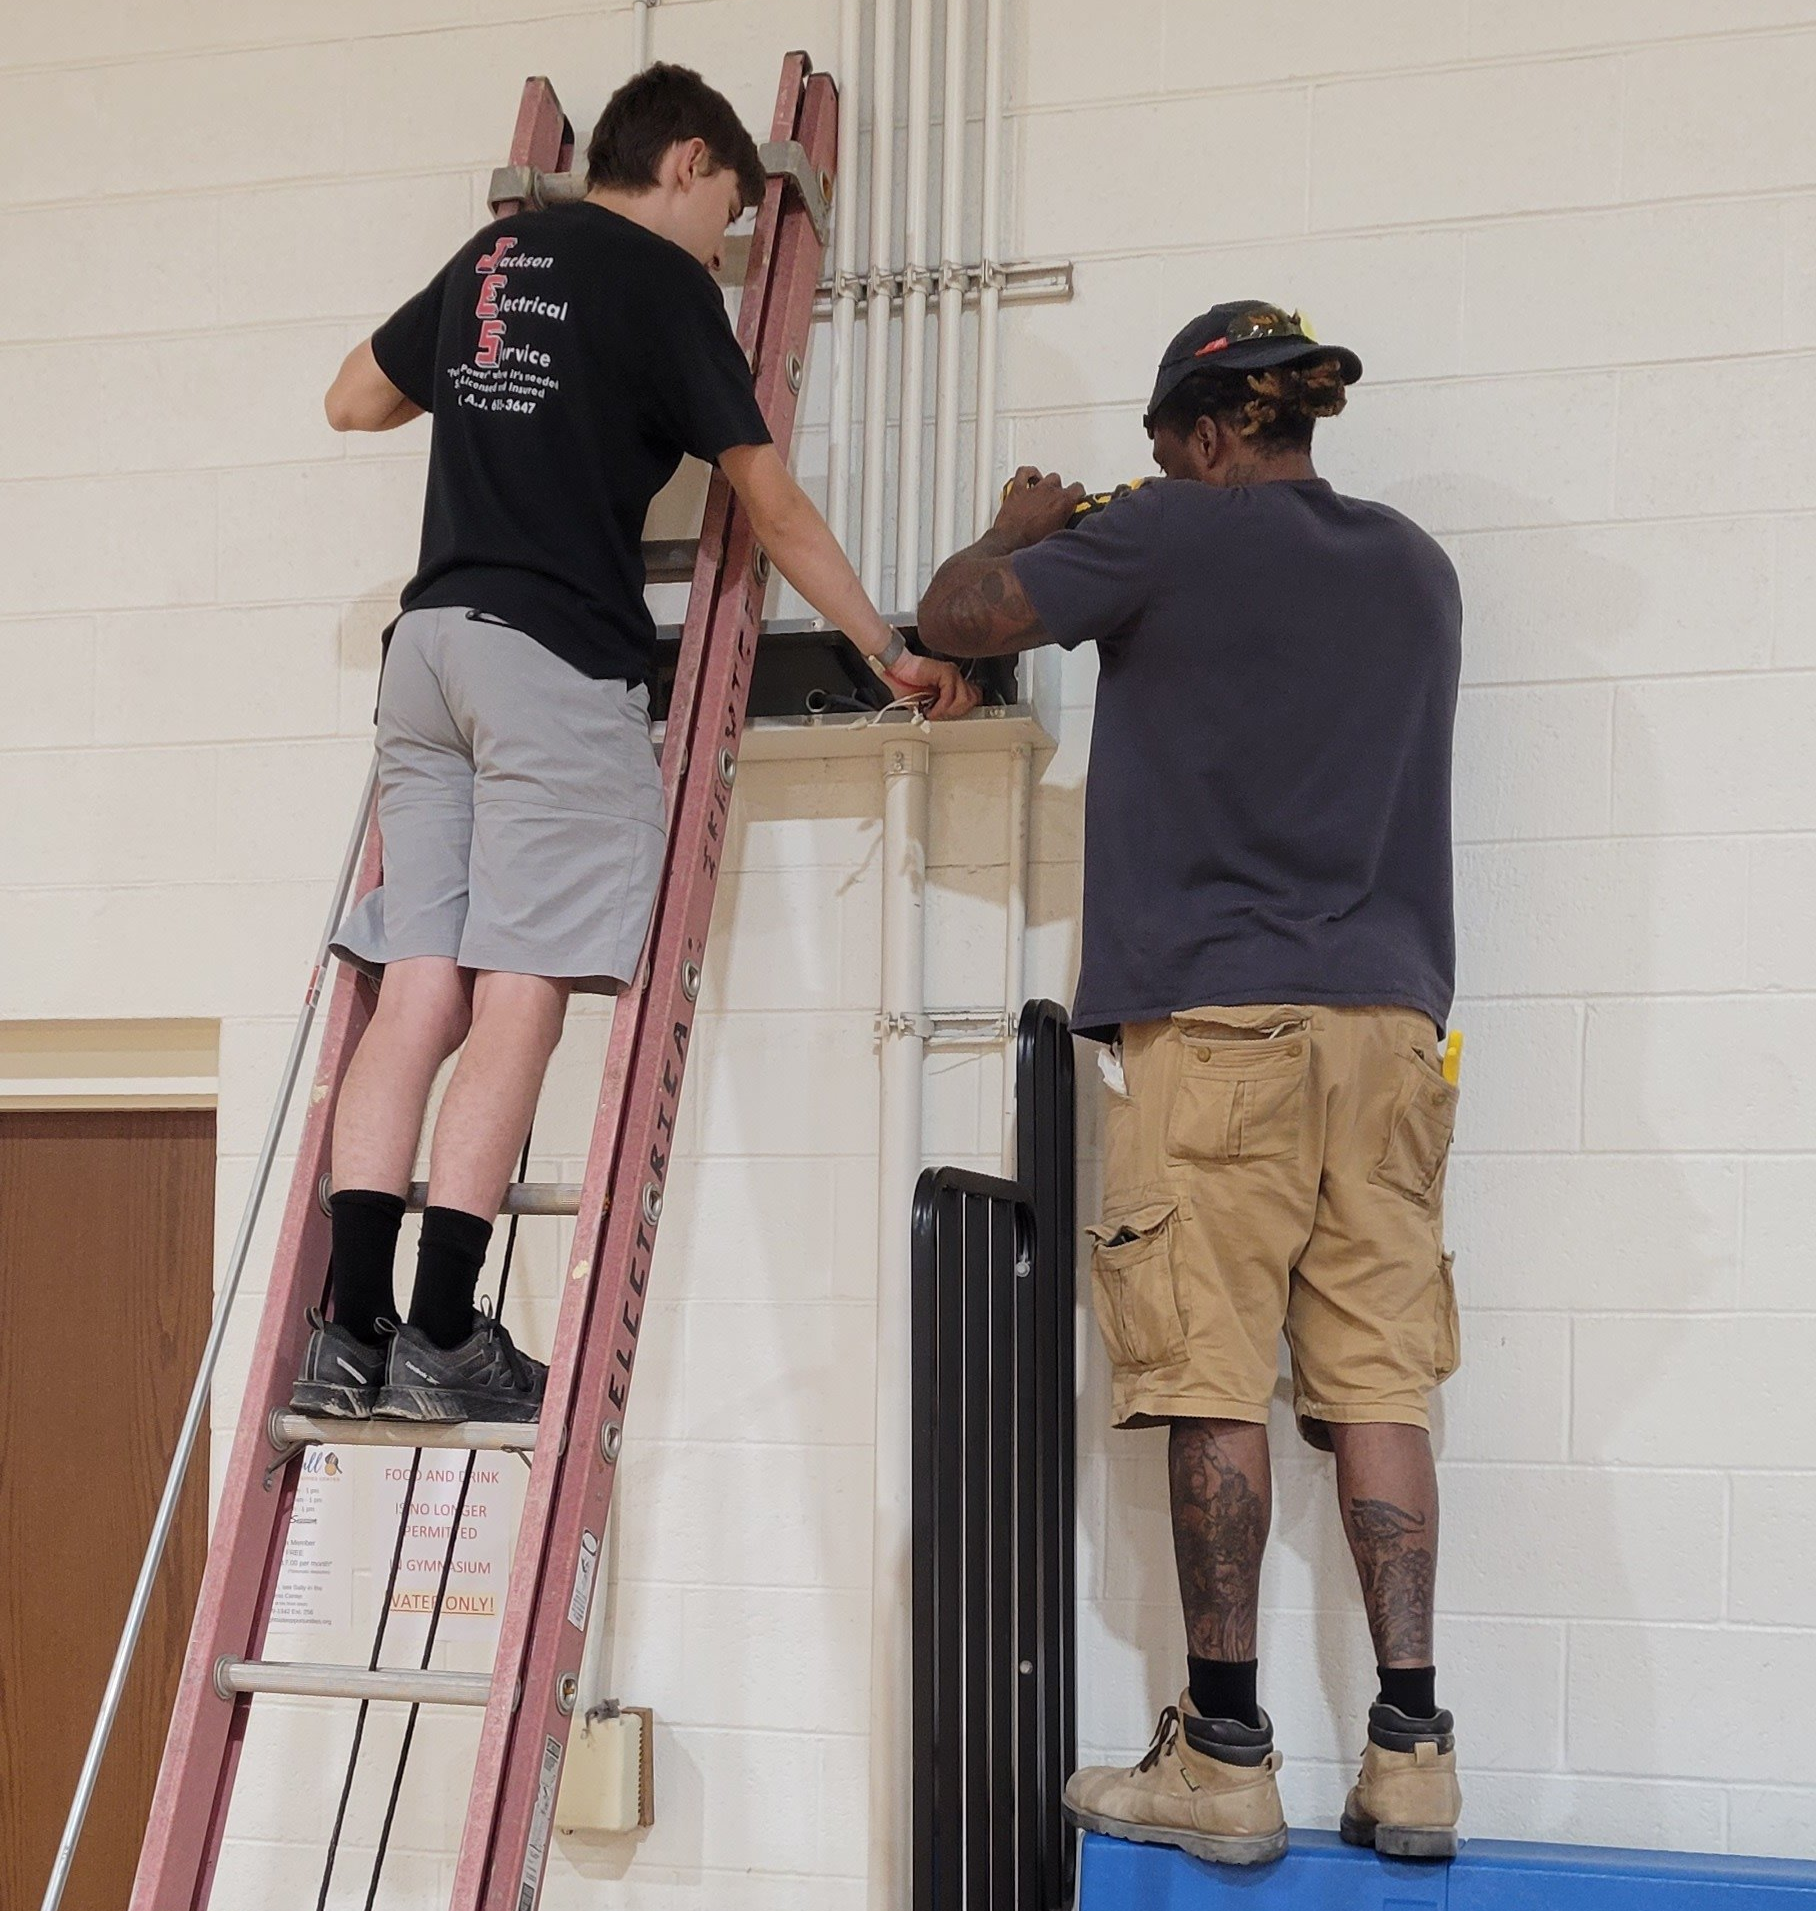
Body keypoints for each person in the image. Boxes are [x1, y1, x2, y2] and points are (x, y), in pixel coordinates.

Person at [290, 63, 977, 1430]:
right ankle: (441, 1330)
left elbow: (352, 403)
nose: (725, 244)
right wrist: (879, 643)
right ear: (681, 162)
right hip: (547, 664)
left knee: (420, 985)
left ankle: (347, 1327)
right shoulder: (666, 292)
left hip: (426, 655)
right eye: (726, 211)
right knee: (523, 988)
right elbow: (769, 508)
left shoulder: (497, 254)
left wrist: (500, 395)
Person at [917, 302, 1464, 1863]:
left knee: (1206, 1371)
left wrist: (1021, 528)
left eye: (1164, 446)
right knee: (1379, 1376)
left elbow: (961, 615)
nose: (1151, 471)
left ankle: (1224, 1755)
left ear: (1212, 432)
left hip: (1219, 1029)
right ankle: (1413, 1749)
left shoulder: (1171, 534)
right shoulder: (1419, 568)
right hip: (1389, 1036)